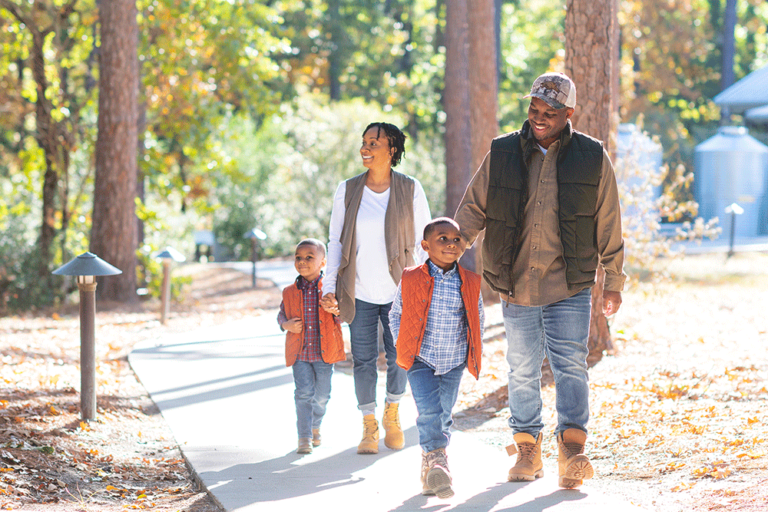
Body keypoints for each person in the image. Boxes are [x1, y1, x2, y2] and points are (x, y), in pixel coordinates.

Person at [454, 72, 626, 488]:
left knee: (571, 366)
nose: (539, 117)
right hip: (515, 280)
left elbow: (608, 220)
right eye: (534, 108)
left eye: (550, 111)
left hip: (569, 282)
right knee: (522, 367)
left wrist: (614, 279)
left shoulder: (591, 156)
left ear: (569, 113)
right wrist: (448, 253)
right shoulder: (503, 151)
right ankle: (527, 449)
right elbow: (473, 208)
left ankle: (572, 451)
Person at [320, 122, 432, 454]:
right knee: (364, 360)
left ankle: (392, 412)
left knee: (400, 357)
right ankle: (368, 424)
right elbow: (335, 242)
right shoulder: (348, 189)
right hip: (359, 291)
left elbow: (423, 241)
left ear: (392, 150)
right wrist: (329, 287)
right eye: (364, 142)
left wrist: (428, 284)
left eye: (373, 143)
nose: (365, 149)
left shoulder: (410, 188)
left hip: (400, 291)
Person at [389, 217, 484, 499]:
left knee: (443, 416)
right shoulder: (410, 277)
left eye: (456, 239)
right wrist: (402, 345)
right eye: (443, 238)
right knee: (429, 412)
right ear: (425, 246)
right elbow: (396, 314)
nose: (451, 244)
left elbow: (477, 317)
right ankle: (439, 460)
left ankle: (430, 467)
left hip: (453, 360)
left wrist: (472, 353)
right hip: (421, 358)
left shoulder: (470, 281)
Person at [278, 238, 345, 455]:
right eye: (298, 257)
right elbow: (281, 314)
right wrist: (286, 325)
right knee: (303, 393)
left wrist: (336, 309)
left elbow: (344, 315)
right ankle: (304, 436)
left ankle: (316, 425)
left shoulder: (331, 289)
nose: (302, 261)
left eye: (309, 257)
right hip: (300, 353)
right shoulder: (289, 291)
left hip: (325, 352)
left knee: (322, 396)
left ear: (323, 262)